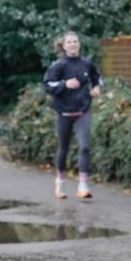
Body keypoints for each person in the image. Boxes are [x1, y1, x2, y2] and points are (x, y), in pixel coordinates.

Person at [42, 31, 102, 199]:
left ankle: (83, 186)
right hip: (64, 112)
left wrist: (97, 88)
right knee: (64, 148)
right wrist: (65, 84)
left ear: (79, 44)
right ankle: (60, 183)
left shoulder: (87, 63)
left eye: (75, 41)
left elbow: (96, 78)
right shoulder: (58, 66)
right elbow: (47, 85)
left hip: (82, 110)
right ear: (64, 46)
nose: (73, 44)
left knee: (85, 147)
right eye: (69, 42)